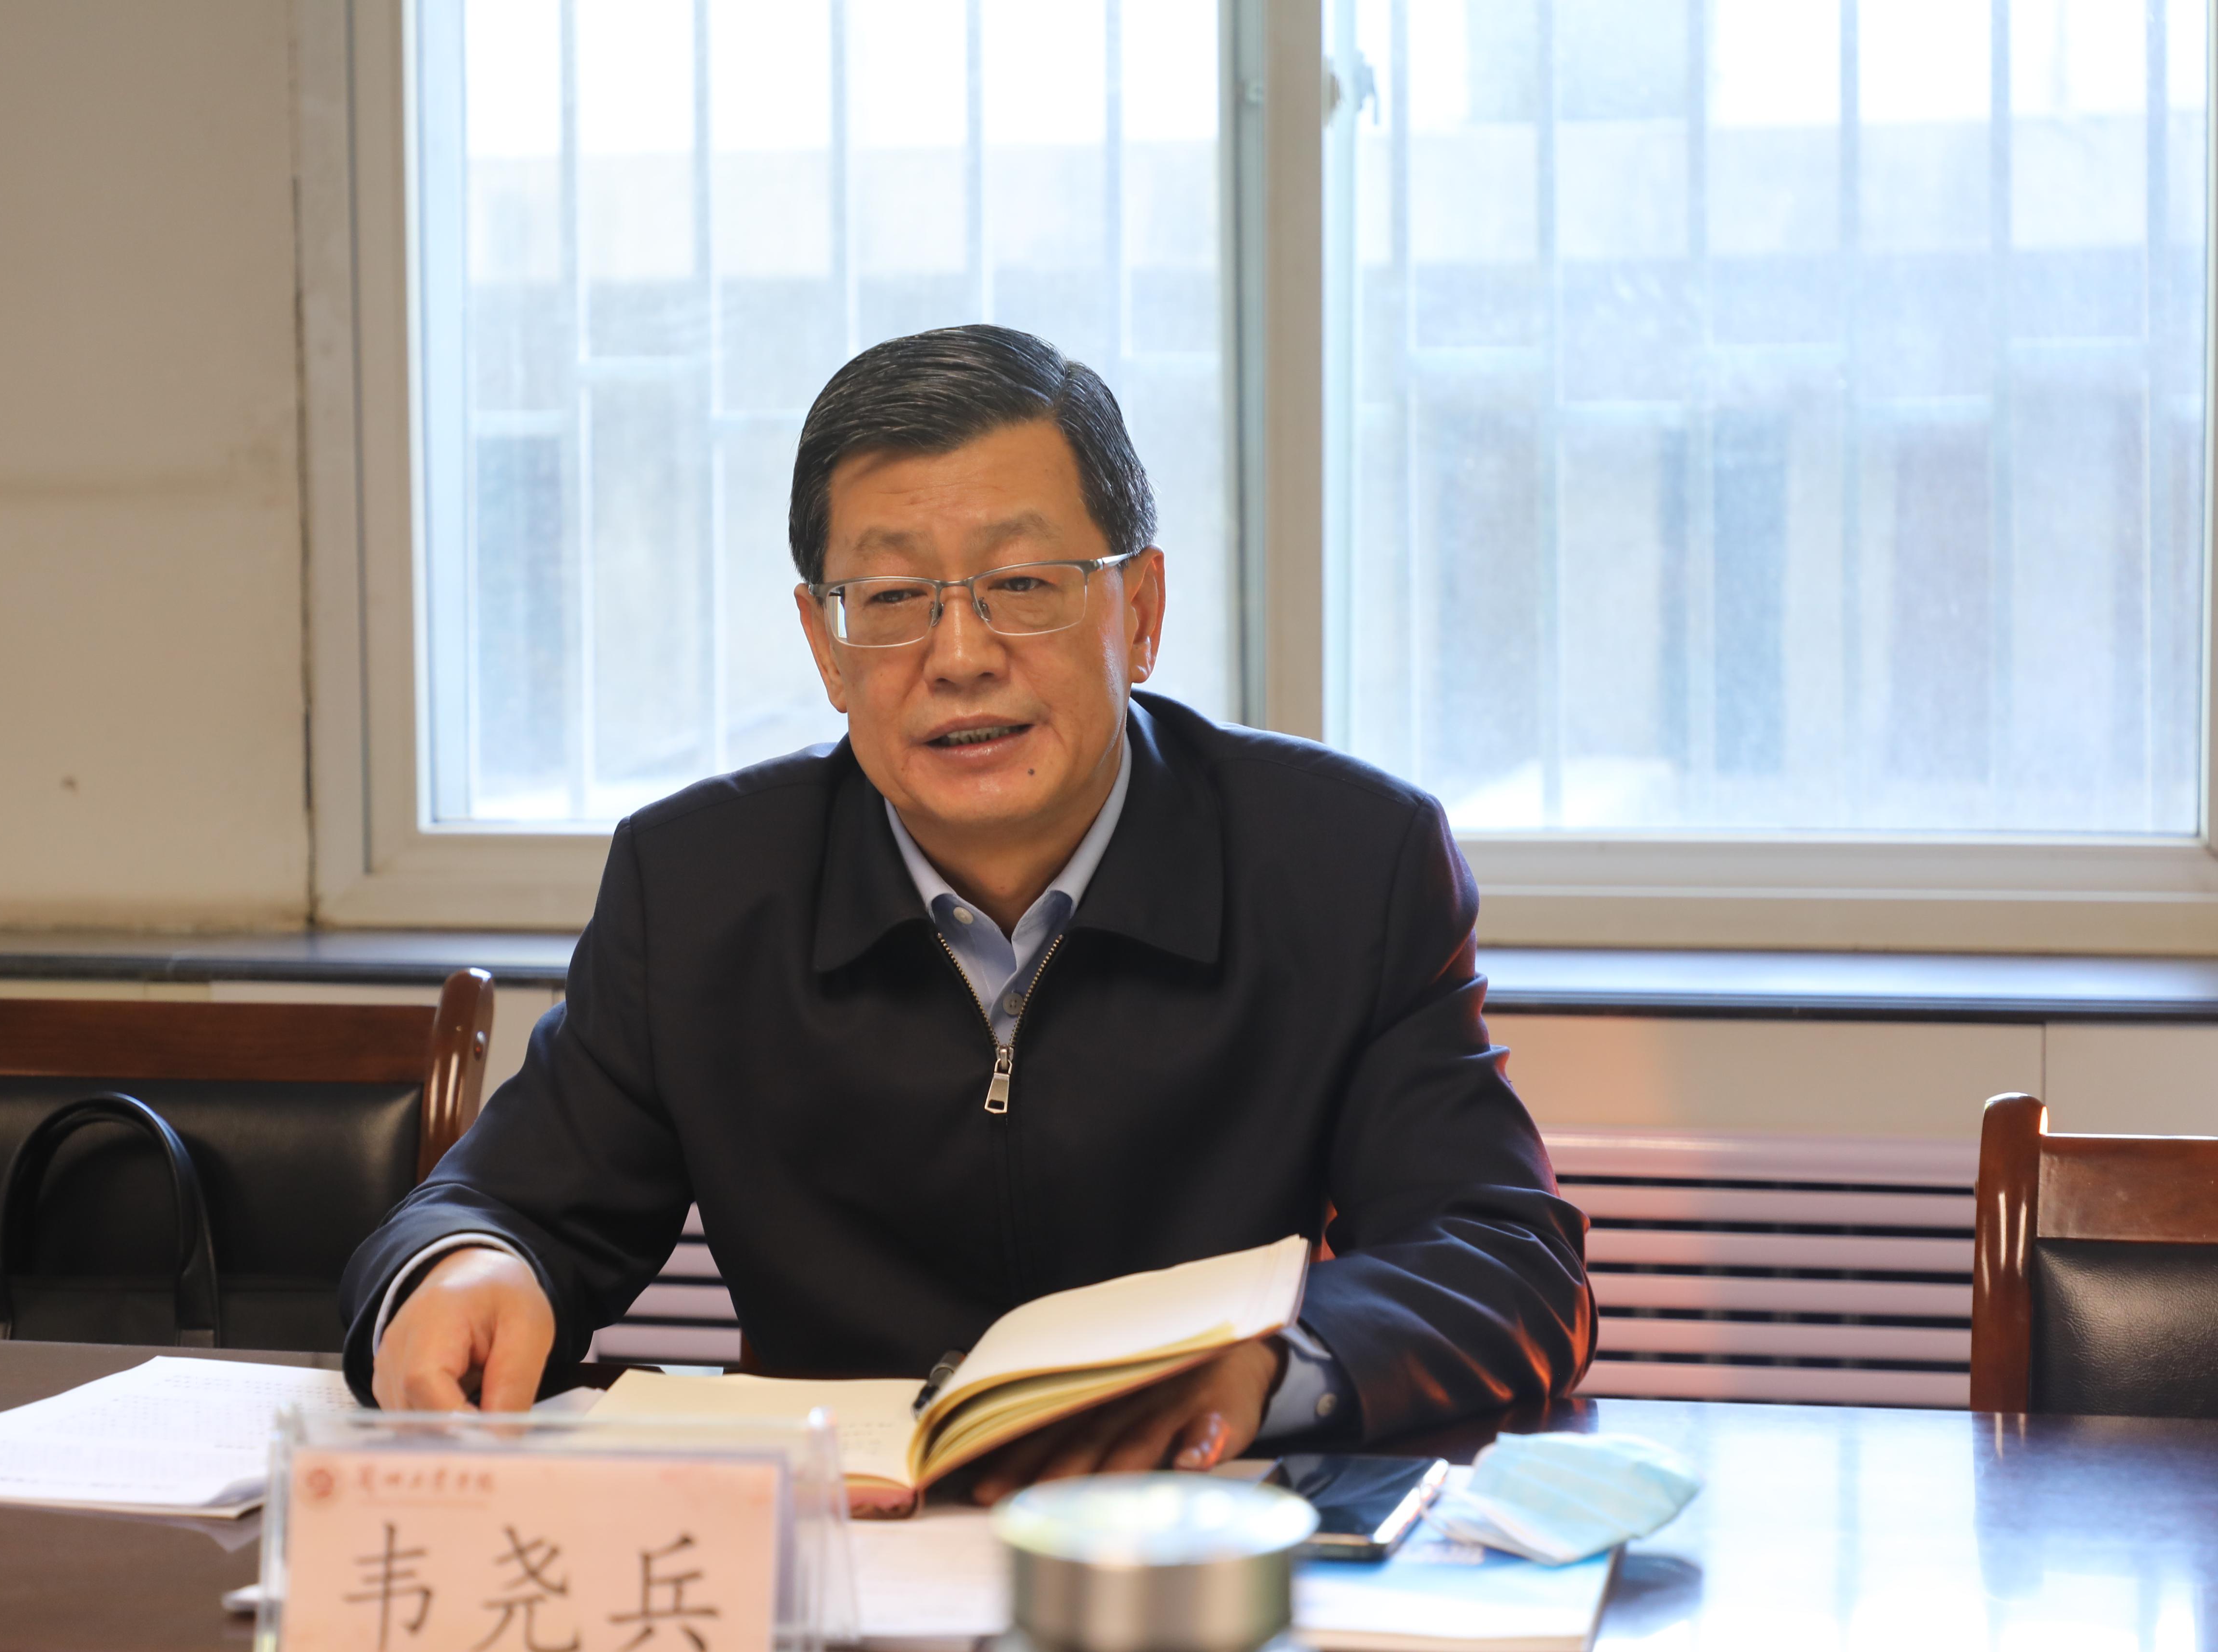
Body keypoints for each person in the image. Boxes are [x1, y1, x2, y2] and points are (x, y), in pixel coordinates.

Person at [342, 324, 1594, 1498]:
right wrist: (465, 1268)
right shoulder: (701, 887)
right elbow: (500, 1203)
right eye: (892, 600)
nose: (959, 656)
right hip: (837, 1561)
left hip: (1174, 1548)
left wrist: (1275, 1366)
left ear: (1141, 613)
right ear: (825, 646)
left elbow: (1503, 1260)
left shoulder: (1345, 865)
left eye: (1024, 584)